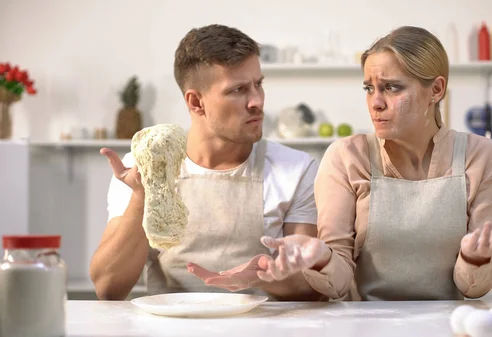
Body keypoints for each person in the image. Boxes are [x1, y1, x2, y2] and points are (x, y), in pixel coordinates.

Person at [193, 26, 492, 301]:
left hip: (449, 323)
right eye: (369, 88)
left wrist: (474, 256)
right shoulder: (347, 157)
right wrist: (318, 256)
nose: (375, 103)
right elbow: (336, 285)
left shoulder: (481, 157)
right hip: (363, 323)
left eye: (392, 88)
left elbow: (474, 287)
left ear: (436, 90)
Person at [89, 24, 321, 301]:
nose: (257, 101)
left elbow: (311, 288)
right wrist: (143, 195)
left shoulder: (296, 169)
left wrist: (261, 277)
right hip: (170, 328)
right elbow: (108, 288)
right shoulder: (144, 167)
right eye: (238, 90)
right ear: (196, 102)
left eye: (258, 84)